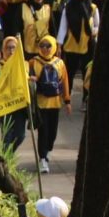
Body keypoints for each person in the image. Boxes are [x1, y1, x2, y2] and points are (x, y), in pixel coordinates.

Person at [28, 37, 70, 173]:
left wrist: (67, 101)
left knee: (52, 133)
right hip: (41, 103)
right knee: (43, 131)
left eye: (48, 46)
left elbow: (65, 83)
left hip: (55, 104)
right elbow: (26, 78)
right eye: (42, 45)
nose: (45, 49)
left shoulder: (60, 63)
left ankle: (48, 150)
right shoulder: (33, 62)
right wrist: (31, 80)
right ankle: (43, 158)